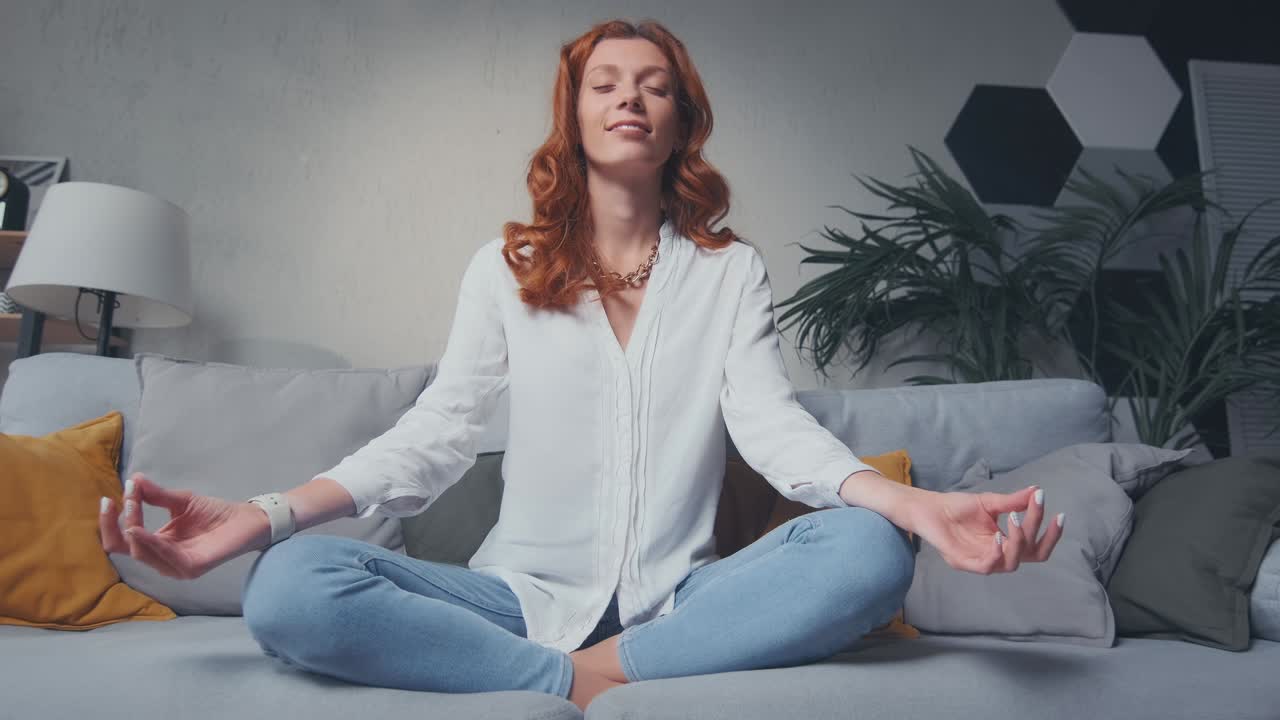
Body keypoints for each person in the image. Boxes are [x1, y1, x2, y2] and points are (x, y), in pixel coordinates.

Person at [98, 18, 1063, 713]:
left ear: (682, 123)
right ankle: (576, 681)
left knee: (865, 552)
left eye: (653, 85)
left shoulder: (731, 274)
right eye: (605, 82)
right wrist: (264, 514)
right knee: (290, 586)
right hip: (516, 596)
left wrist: (913, 507)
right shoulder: (507, 267)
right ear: (575, 115)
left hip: (684, 598)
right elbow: (437, 435)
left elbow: (772, 429)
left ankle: (614, 666)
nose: (629, 98)